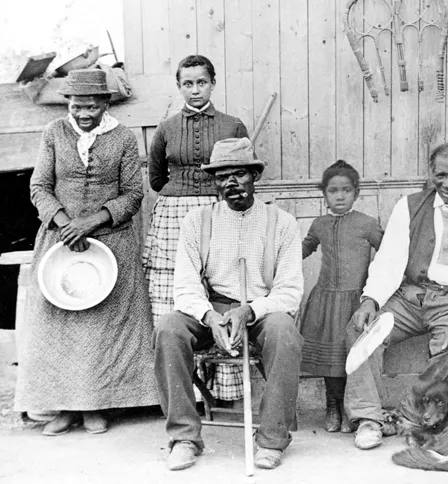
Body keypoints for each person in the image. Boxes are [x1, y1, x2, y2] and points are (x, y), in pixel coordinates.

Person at [15, 69, 157, 436]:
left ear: (106, 103)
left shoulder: (123, 138)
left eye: (91, 107)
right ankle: (64, 408)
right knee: (59, 325)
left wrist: (90, 222)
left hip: (111, 240)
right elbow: (40, 187)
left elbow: (132, 194)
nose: (83, 114)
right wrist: (65, 224)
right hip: (60, 240)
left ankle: (97, 406)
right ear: (68, 104)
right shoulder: (54, 134)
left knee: (101, 326)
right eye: (77, 106)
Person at [153, 138, 304, 471]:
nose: (231, 184)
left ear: (255, 176)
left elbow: (290, 291)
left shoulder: (282, 223)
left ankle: (271, 440)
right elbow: (186, 286)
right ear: (214, 182)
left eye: (239, 175)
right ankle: (184, 437)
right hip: (213, 310)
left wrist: (250, 310)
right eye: (222, 177)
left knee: (285, 332)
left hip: (261, 311)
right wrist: (209, 316)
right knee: (168, 328)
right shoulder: (197, 221)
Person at [344, 142, 448, 450]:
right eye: (440, 175)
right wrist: (371, 299)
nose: (447, 183)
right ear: (430, 173)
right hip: (409, 296)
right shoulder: (410, 206)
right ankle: (369, 419)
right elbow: (389, 260)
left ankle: (407, 414)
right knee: (359, 330)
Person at [143, 54, 249, 400]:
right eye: (187, 84)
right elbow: (157, 177)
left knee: (219, 290)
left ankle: (225, 389)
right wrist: (182, 197)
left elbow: (243, 173)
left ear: (213, 84)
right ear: (179, 87)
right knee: (178, 293)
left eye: (201, 82)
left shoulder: (232, 125)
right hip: (174, 216)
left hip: (220, 211)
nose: (195, 90)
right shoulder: (167, 127)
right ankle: (185, 390)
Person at [300, 160, 383, 433]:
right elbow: (302, 249)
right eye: (333, 190)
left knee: (353, 356)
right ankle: (332, 405)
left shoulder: (367, 224)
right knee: (330, 359)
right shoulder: (319, 224)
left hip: (355, 301)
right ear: (323, 193)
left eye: (346, 190)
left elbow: (388, 255)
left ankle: (352, 409)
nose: (339, 196)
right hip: (325, 300)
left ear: (356, 193)